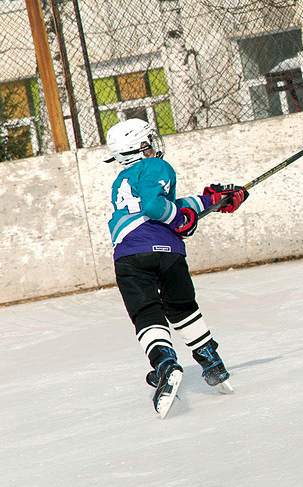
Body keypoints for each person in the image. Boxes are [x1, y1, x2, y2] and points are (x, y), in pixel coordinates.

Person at [104, 118, 248, 418]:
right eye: (149, 140)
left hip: (129, 255)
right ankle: (210, 360)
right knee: (182, 308)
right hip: (167, 251)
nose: (154, 143)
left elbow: (161, 203)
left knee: (147, 313)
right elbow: (156, 209)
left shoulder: (123, 179)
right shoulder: (156, 167)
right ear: (140, 147)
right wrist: (181, 220)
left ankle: (165, 363)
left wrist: (212, 200)